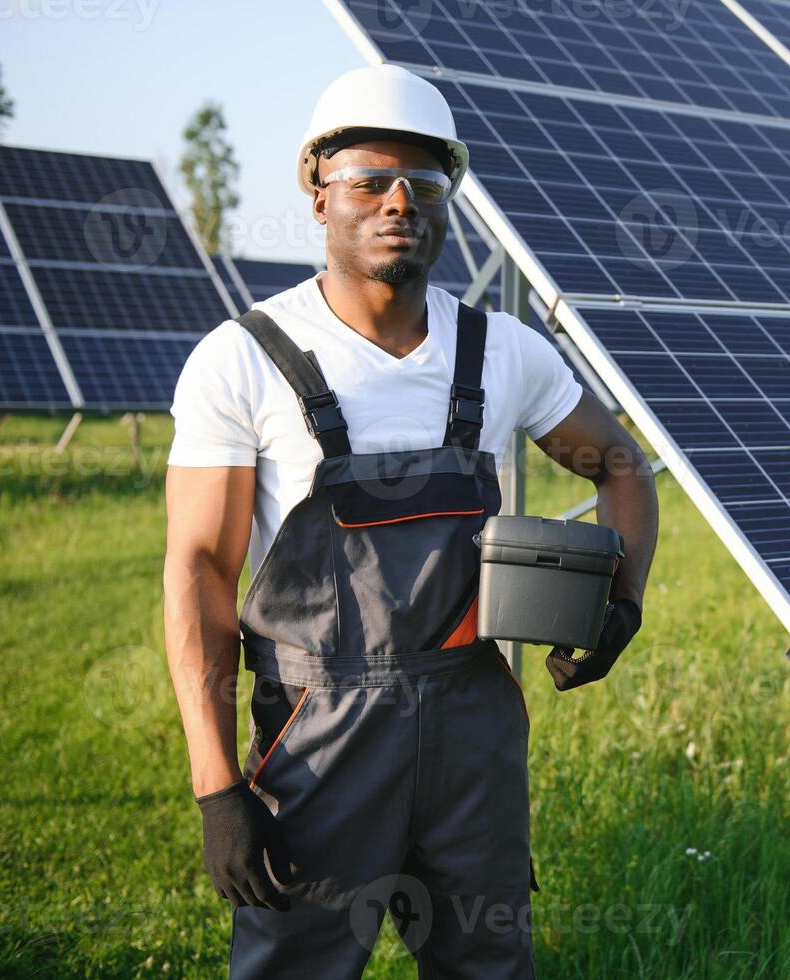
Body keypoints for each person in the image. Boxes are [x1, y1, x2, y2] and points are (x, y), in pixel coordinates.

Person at [161, 64, 659, 978]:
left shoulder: (501, 350)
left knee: (488, 963)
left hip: (473, 720)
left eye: (423, 184)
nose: (399, 201)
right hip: (317, 728)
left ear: (446, 202)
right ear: (319, 194)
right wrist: (216, 787)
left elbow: (623, 465)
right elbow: (198, 571)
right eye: (368, 181)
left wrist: (621, 598)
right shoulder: (242, 360)